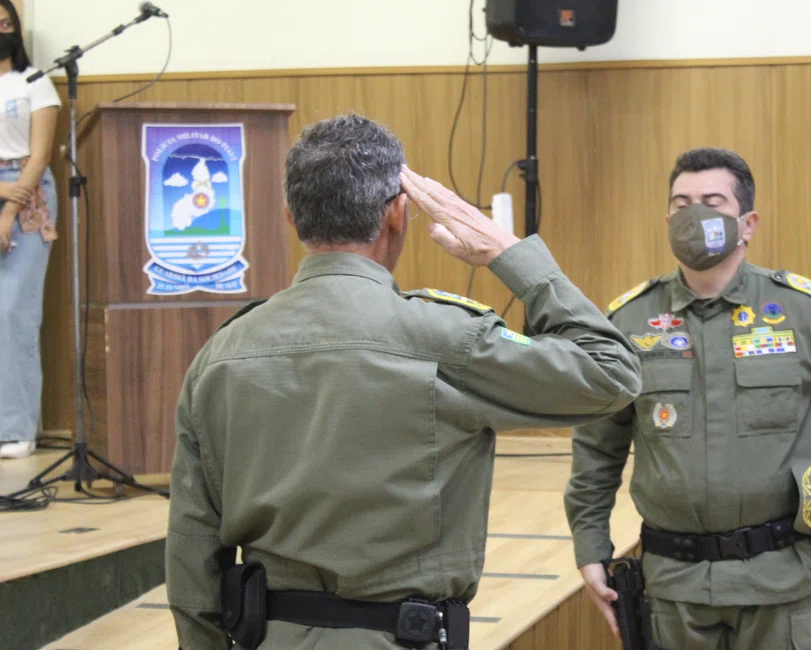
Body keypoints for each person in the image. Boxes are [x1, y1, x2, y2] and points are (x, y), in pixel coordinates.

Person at [165, 113, 642, 650]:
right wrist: (509, 256)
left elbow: (192, 546)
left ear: (289, 216)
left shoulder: (222, 354)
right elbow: (611, 370)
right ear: (397, 213)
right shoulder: (443, 338)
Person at [564, 147, 811, 649]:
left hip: (778, 582)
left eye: (712, 201)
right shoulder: (628, 322)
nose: (694, 216)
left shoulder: (801, 311)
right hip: (674, 588)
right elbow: (597, 445)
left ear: (747, 223)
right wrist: (590, 545)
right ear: (667, 218)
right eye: (682, 203)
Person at [0, 0, 61, 460]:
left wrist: (6, 211)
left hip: (27, 192)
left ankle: (17, 426)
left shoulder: (34, 82)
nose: (1, 30)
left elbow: (39, 154)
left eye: (6, 23)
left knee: (14, 312)